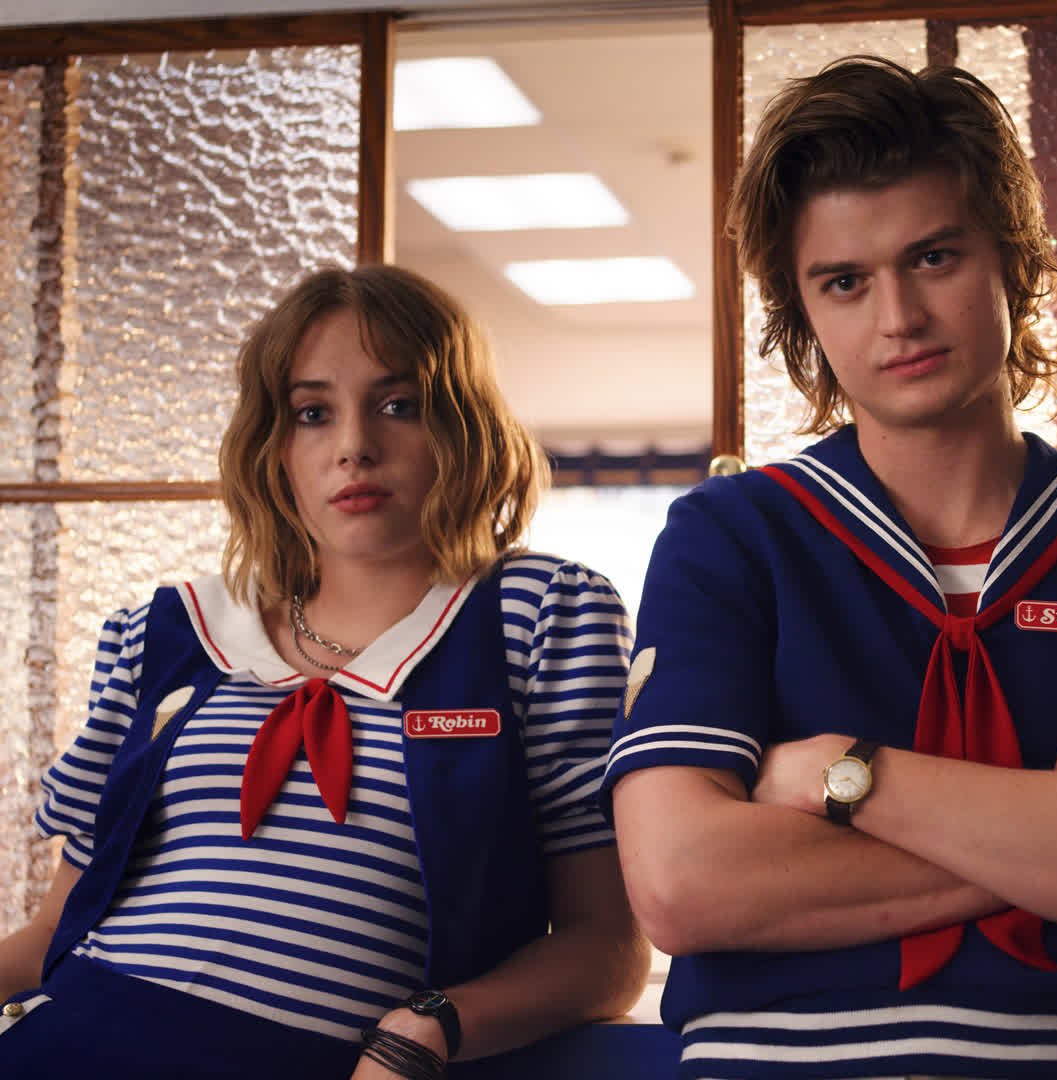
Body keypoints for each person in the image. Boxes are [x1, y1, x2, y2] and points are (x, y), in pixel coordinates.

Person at [606, 56, 1057, 1079]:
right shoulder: (730, 539)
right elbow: (682, 887)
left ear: (1014, 260)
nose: (899, 317)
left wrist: (843, 775)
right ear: (802, 312)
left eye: (935, 257)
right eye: (844, 282)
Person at [0, 265, 647, 1078]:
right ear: (274, 451)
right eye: (313, 414)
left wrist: (426, 1030)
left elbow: (607, 950)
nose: (354, 447)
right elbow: (50, 932)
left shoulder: (537, 615)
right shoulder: (166, 634)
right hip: (68, 1038)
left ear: (463, 427)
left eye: (398, 405)